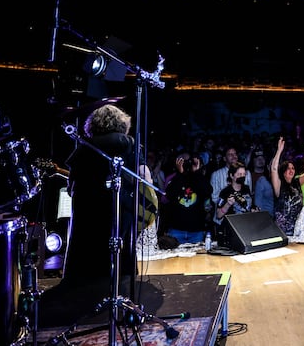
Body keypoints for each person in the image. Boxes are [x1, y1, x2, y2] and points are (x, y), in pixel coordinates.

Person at [62, 103, 152, 284]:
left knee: (87, 252)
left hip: (88, 210)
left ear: (93, 124)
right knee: (122, 250)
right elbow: (145, 176)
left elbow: (72, 187)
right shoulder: (129, 143)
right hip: (120, 207)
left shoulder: (85, 147)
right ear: (122, 123)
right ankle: (122, 293)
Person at [165, 154, 212, 245]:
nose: (187, 164)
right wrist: (180, 173)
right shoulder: (175, 178)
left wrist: (197, 173)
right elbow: (169, 195)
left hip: (196, 230)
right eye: (184, 161)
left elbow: (207, 191)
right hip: (176, 229)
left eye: (189, 161)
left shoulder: (199, 179)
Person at [270, 136, 304, 236]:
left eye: (293, 168)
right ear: (283, 171)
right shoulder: (279, 185)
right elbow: (273, 169)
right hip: (282, 231)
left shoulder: (297, 183)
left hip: (298, 229)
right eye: (288, 168)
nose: (291, 170)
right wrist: (279, 151)